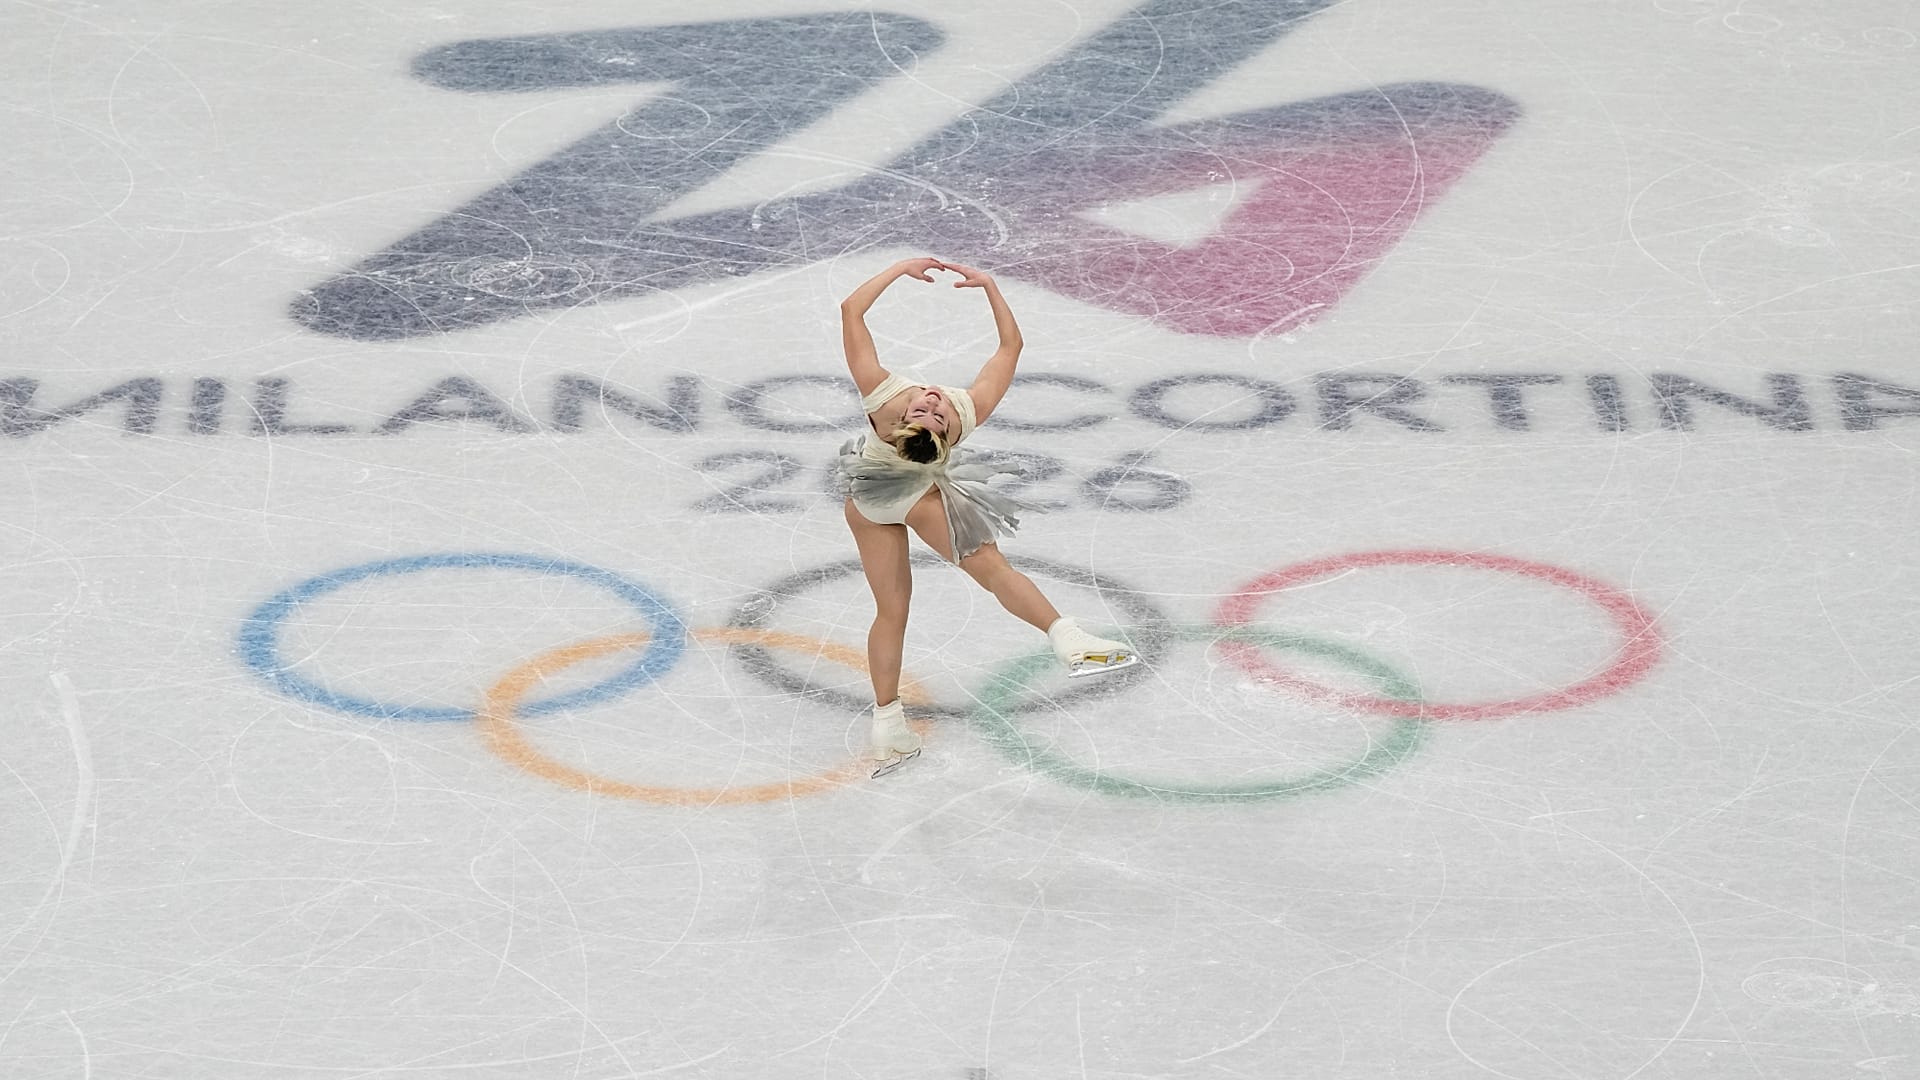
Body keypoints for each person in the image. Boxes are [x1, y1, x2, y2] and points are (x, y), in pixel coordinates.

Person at [836, 257, 1137, 774]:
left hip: (868, 498)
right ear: (953, 434)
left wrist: (898, 269)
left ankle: (888, 725)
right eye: (933, 411)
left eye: (930, 411)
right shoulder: (968, 409)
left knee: (892, 611)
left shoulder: (885, 399)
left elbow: (851, 310)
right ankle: (1066, 636)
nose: (931, 401)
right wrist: (991, 288)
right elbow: (1009, 348)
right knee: (994, 570)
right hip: (909, 492)